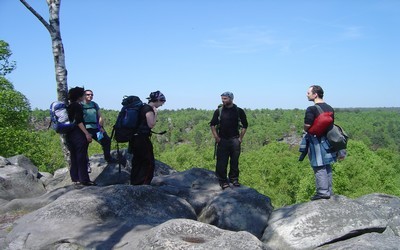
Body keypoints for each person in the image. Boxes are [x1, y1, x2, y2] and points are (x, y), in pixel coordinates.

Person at [301, 85, 337, 200]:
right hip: (327, 141)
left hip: (315, 142)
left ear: (315, 94)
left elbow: (307, 125)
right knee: (327, 165)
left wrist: (305, 129)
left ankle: (322, 192)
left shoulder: (311, 109)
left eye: (308, 92)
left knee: (318, 165)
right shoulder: (330, 108)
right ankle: (329, 191)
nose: (307, 94)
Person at [210, 91, 248, 189]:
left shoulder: (239, 111)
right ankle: (222, 181)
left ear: (231, 99)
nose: (223, 100)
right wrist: (217, 137)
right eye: (222, 99)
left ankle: (234, 179)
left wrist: (240, 138)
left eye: (225, 98)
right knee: (221, 162)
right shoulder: (219, 111)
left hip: (235, 140)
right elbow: (212, 124)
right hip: (222, 140)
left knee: (234, 161)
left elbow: (245, 125)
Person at [130, 90, 166, 185]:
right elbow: (151, 124)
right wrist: (155, 113)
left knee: (137, 160)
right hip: (142, 138)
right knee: (148, 161)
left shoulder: (142, 107)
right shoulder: (148, 109)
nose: (162, 105)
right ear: (157, 100)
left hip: (134, 138)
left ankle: (134, 182)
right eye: (162, 102)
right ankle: (144, 183)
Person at [66, 86, 96, 186]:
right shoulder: (78, 106)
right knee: (81, 157)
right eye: (83, 94)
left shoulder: (70, 106)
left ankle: (75, 178)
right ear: (79, 96)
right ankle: (84, 180)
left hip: (70, 134)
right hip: (78, 134)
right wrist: (86, 133)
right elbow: (78, 121)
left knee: (74, 156)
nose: (84, 96)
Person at [82, 89, 116, 164]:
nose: (90, 96)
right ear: (84, 95)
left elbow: (100, 116)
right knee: (83, 147)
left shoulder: (94, 104)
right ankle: (85, 163)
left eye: (91, 94)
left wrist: (100, 127)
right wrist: (86, 133)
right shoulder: (80, 105)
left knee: (106, 140)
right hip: (86, 130)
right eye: (88, 94)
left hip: (96, 129)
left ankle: (108, 158)